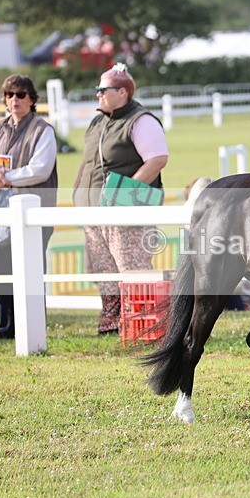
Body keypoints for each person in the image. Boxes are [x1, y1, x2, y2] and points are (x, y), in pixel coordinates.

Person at [73, 63, 168, 335]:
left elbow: (157, 159)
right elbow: (88, 164)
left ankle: (141, 324)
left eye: (103, 89)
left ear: (123, 92)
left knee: (132, 267)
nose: (98, 94)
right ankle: (112, 323)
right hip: (93, 210)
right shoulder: (98, 122)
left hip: (126, 210)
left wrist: (123, 195)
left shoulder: (141, 120)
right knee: (102, 269)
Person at [0, 75, 57, 340]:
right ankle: (6, 328)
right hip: (0, 213)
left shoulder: (44, 130)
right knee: (3, 269)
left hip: (34, 210)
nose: (14, 100)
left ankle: (32, 327)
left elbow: (40, 170)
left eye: (20, 94)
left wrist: (4, 177)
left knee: (30, 269)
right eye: (9, 95)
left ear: (32, 99)